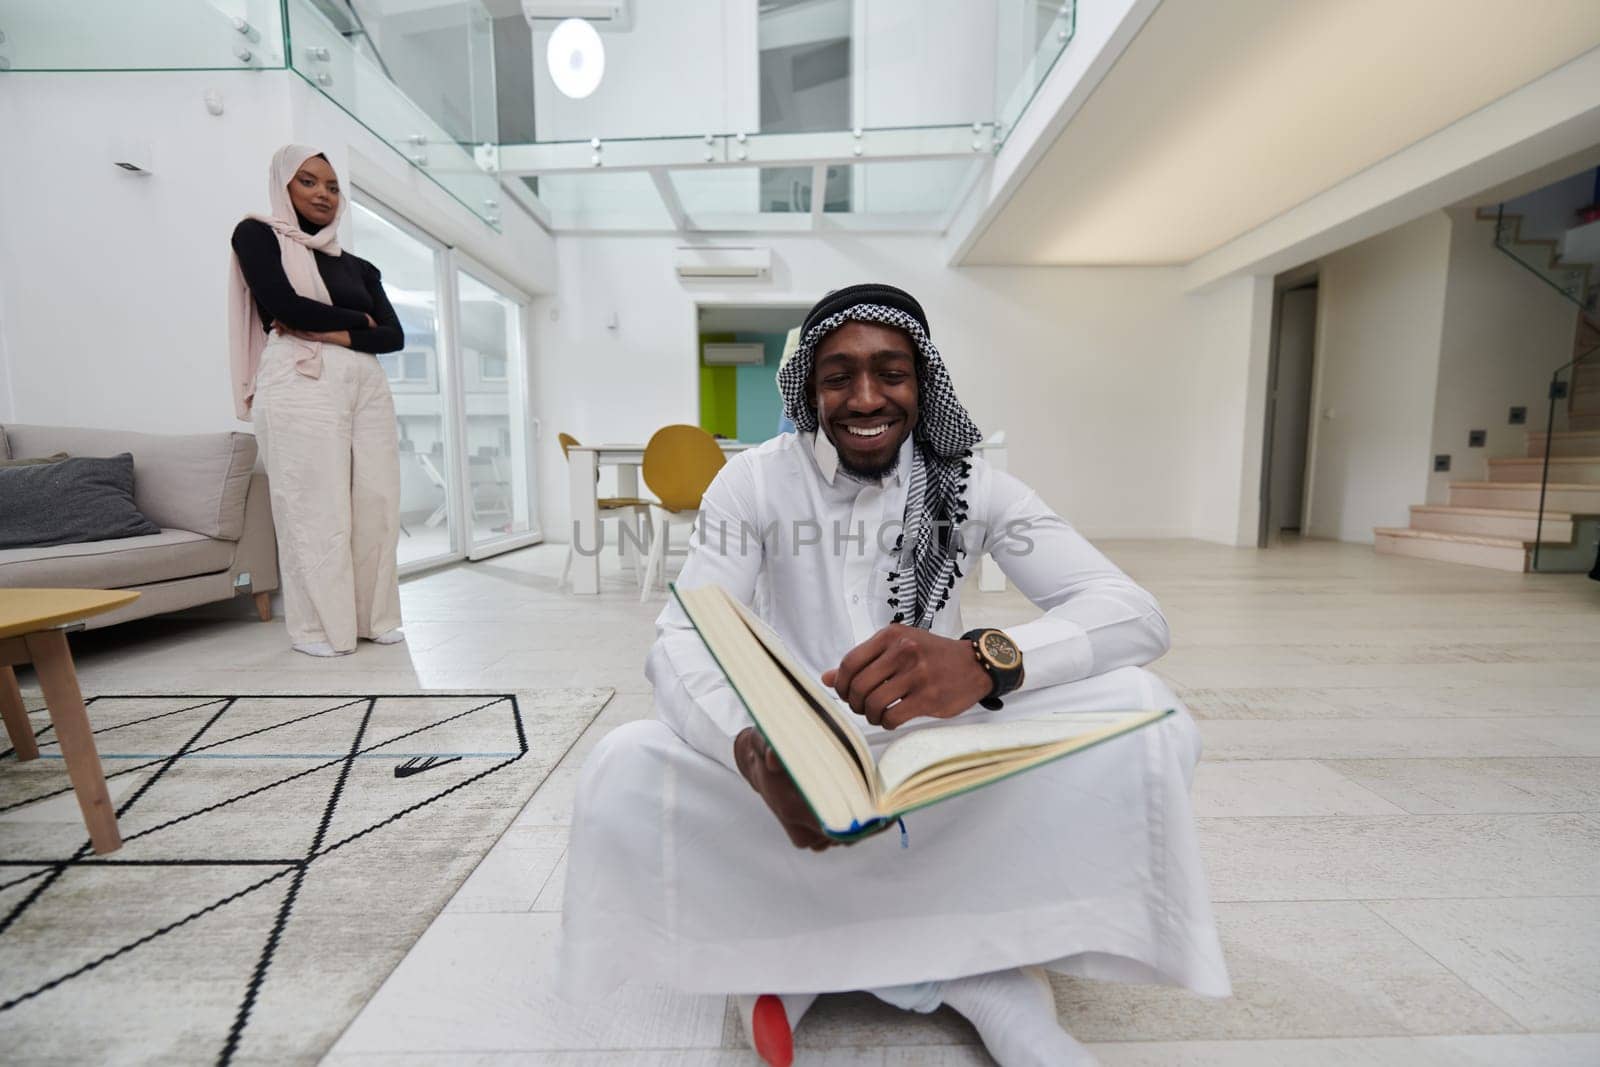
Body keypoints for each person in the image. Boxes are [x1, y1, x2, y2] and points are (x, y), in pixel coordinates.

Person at [559, 284, 1230, 1066]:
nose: (866, 397)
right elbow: (682, 637)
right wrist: (750, 749)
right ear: (809, 389)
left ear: (924, 380)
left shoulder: (970, 483)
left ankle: (815, 958)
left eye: (892, 371)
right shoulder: (752, 483)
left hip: (936, 752)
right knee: (627, 765)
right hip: (797, 767)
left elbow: (1134, 612)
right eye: (839, 375)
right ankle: (970, 967)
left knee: (1149, 714)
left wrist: (985, 662)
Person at [228, 145, 406, 657]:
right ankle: (316, 628)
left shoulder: (358, 266)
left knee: (376, 500)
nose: (323, 194)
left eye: (331, 186)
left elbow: (393, 337)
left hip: (364, 382)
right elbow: (284, 305)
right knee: (314, 504)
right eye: (308, 182)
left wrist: (328, 331)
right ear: (284, 185)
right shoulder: (257, 234)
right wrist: (357, 323)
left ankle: (374, 618)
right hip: (300, 378)